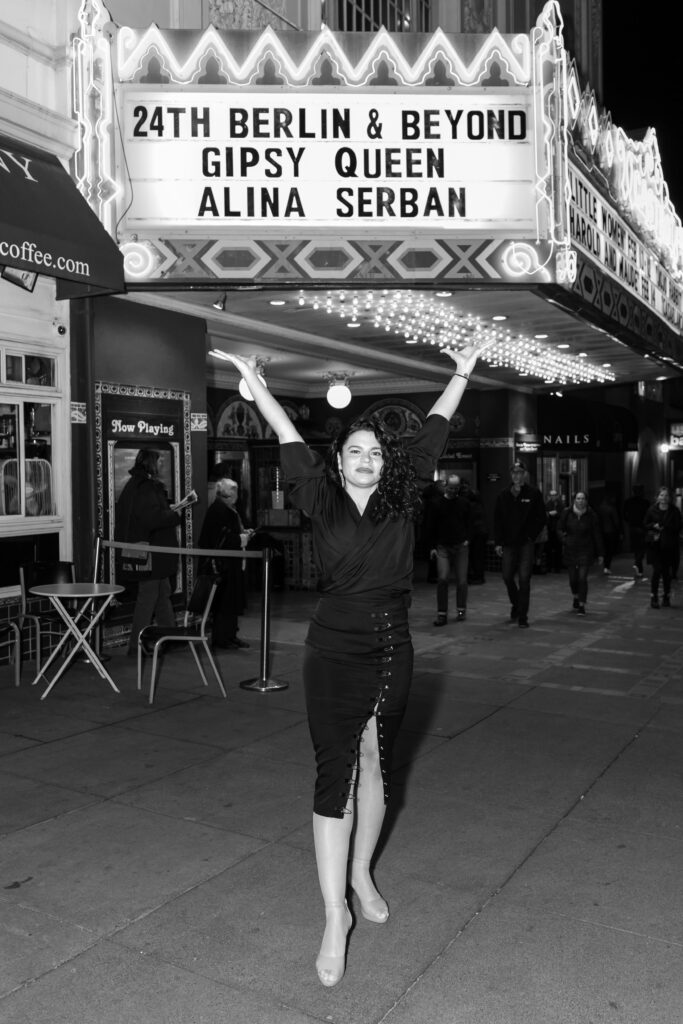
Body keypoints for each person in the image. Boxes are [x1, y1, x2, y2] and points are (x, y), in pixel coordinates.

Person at [223, 339, 490, 988]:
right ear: (338, 462)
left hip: (394, 647)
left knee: (376, 764)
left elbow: (433, 429)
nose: (367, 459)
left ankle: (362, 872)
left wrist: (460, 373)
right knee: (333, 775)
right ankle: (333, 913)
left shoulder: (403, 496)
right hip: (333, 650)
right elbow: (287, 434)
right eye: (355, 452)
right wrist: (257, 384)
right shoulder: (319, 498)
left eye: (375, 452)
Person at [115, 449, 183, 657]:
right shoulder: (146, 487)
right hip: (152, 554)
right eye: (159, 462)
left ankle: (169, 637)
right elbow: (152, 519)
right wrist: (174, 514)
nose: (161, 465)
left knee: (162, 594)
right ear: (151, 463)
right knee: (148, 597)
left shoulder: (136, 484)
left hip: (150, 553)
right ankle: (135, 645)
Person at [198, 478, 252, 649]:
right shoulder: (219, 510)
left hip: (229, 562)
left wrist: (243, 533)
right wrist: (242, 538)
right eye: (234, 492)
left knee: (231, 599)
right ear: (228, 495)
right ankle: (222, 638)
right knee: (224, 602)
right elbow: (221, 538)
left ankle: (230, 635)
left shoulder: (224, 508)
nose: (236, 496)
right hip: (223, 564)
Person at [493, 461, 547, 628]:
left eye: (519, 472)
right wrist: (498, 542)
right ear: (511, 475)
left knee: (524, 579)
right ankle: (516, 604)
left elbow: (541, 517)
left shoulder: (533, 493)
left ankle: (523, 616)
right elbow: (497, 520)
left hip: (525, 543)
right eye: (514, 472)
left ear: (524, 474)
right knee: (507, 576)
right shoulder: (503, 495)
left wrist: (531, 535)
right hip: (508, 542)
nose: (516, 475)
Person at [425, 473, 471, 625]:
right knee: (443, 578)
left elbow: (470, 522)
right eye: (451, 488)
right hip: (443, 546)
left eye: (456, 488)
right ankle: (442, 613)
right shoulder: (436, 504)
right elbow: (430, 526)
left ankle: (461, 610)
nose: (453, 491)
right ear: (446, 486)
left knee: (462, 581)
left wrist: (467, 539)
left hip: (460, 545)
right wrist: (432, 547)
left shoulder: (464, 503)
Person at [558, 492, 603, 614]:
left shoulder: (591, 515)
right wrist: (564, 540)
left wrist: (600, 553)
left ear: (586, 501)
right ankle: (576, 596)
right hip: (570, 549)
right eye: (578, 498)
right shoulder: (567, 513)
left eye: (583, 498)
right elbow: (559, 528)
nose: (580, 501)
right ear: (574, 500)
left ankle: (582, 604)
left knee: (582, 578)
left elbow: (596, 534)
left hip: (586, 549)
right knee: (573, 579)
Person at [644, 487, 682, 608]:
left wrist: (666, 527)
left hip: (669, 546)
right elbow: (645, 524)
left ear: (670, 498)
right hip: (655, 546)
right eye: (661, 495)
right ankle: (653, 597)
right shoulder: (652, 510)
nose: (664, 498)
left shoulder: (674, 511)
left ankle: (666, 596)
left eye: (666, 495)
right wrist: (654, 525)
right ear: (657, 497)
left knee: (666, 573)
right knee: (657, 571)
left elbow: (679, 526)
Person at [461, 479, 488, 584]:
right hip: (481, 532)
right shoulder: (479, 504)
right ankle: (478, 576)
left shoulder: (470, 506)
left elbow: (471, 522)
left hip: (476, 533)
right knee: (478, 556)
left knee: (475, 556)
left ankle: (477, 577)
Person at [622, 484, 650, 579]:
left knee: (637, 548)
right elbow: (649, 515)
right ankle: (638, 564)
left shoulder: (628, 502)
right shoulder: (645, 502)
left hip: (633, 527)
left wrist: (629, 522)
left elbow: (624, 515)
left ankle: (639, 569)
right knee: (642, 548)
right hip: (642, 527)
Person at [596, 493, 621, 575]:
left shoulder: (599, 508)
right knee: (609, 550)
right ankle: (607, 566)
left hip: (601, 531)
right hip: (610, 531)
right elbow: (616, 521)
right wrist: (619, 531)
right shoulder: (612, 508)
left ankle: (604, 564)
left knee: (603, 548)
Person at [544, 489, 565, 573]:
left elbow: (563, 516)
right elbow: (544, 514)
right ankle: (549, 566)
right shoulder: (547, 504)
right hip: (550, 528)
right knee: (548, 548)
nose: (553, 497)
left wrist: (557, 513)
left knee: (558, 548)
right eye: (551, 495)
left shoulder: (561, 505)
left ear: (557, 496)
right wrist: (549, 514)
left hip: (558, 528)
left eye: (554, 495)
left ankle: (557, 567)